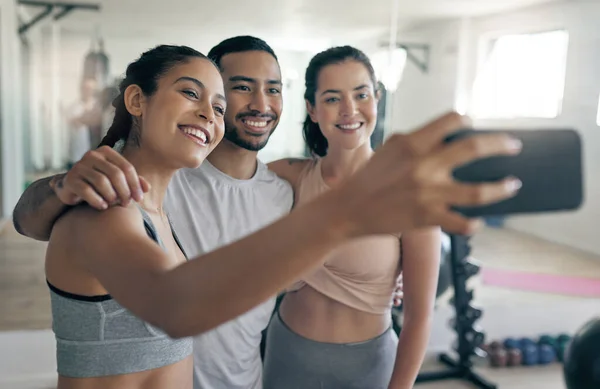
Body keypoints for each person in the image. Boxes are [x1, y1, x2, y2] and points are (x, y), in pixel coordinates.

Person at [12, 41, 523, 389]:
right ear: (136, 101)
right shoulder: (110, 203)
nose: (211, 115)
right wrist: (55, 187)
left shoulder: (248, 191)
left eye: (215, 104)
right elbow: (173, 304)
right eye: (196, 94)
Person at [263, 46, 439, 389]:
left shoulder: (411, 195)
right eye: (332, 98)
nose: (349, 110)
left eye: (361, 95)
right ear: (312, 109)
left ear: (376, 97)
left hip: (368, 364)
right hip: (288, 353)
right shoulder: (288, 176)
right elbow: (216, 179)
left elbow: (420, 318)